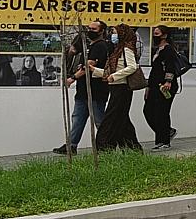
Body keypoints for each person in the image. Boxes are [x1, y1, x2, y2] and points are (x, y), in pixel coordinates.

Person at [54, 20, 111, 155]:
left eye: (94, 29)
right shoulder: (89, 46)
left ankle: (106, 145)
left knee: (99, 120)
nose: (90, 31)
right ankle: (71, 145)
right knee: (78, 118)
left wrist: (72, 78)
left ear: (102, 31)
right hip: (83, 90)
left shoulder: (100, 46)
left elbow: (87, 67)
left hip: (96, 90)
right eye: (89, 28)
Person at [94, 23, 144, 152]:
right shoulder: (117, 50)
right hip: (116, 87)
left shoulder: (127, 49)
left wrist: (115, 76)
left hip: (122, 88)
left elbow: (132, 67)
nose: (112, 35)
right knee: (122, 120)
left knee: (111, 118)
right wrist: (93, 70)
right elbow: (111, 71)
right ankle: (132, 148)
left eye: (115, 32)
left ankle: (105, 146)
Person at [144, 24, 187, 150]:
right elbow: (154, 70)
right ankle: (166, 132)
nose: (154, 36)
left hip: (165, 86)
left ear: (165, 35)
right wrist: (148, 86)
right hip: (154, 85)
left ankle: (164, 141)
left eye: (157, 34)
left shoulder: (168, 49)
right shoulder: (157, 49)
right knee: (148, 111)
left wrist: (168, 81)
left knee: (162, 112)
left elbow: (170, 66)